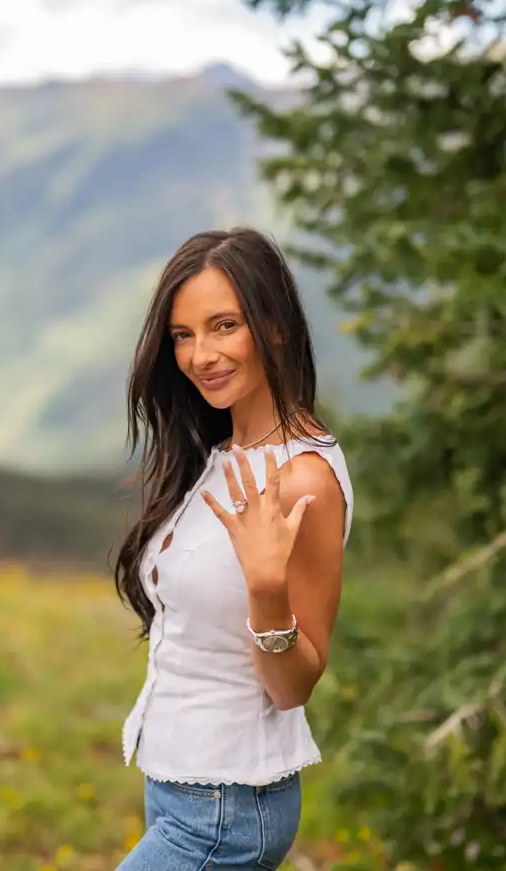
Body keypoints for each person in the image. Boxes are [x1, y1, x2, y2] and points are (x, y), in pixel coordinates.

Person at [113, 227, 354, 870]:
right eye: (183, 336)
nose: (201, 355)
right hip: (175, 783)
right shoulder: (219, 456)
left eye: (224, 326)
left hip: (225, 806)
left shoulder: (301, 478)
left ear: (274, 326)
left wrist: (267, 590)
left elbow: (294, 685)